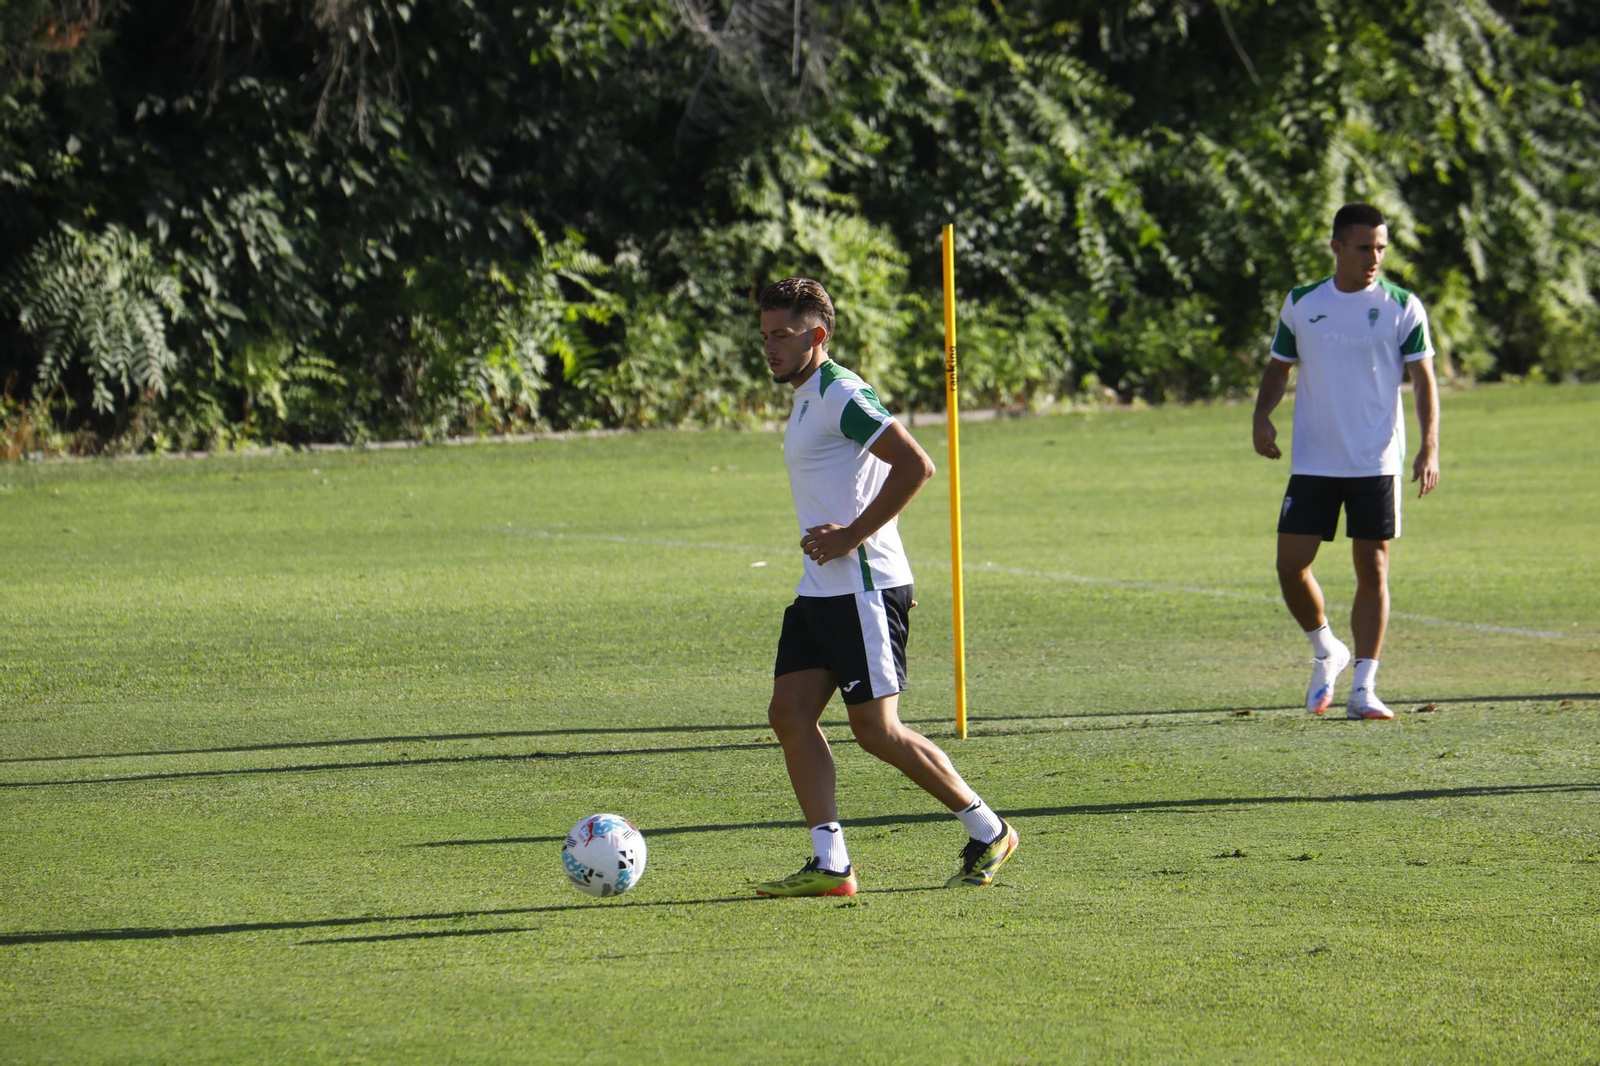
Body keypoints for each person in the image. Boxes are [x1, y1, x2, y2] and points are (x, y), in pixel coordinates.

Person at [752, 277, 1019, 897]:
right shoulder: (805, 394)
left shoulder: (841, 392)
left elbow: (915, 464)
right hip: (821, 589)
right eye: (764, 335)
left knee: (876, 730)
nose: (768, 347)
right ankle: (831, 865)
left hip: (864, 586)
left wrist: (852, 537)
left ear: (816, 336)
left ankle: (989, 829)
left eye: (781, 335)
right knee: (790, 715)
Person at [1253, 203, 1441, 720]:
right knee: (1291, 565)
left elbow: (1424, 381)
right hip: (1315, 457)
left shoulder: (1402, 305)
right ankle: (1325, 649)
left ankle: (1364, 686)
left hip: (1375, 459)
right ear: (1336, 247)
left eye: (1381, 247)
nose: (1374, 257)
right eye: (1364, 247)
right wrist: (1261, 416)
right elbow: (1278, 367)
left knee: (1372, 567)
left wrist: (1430, 446)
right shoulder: (1302, 302)